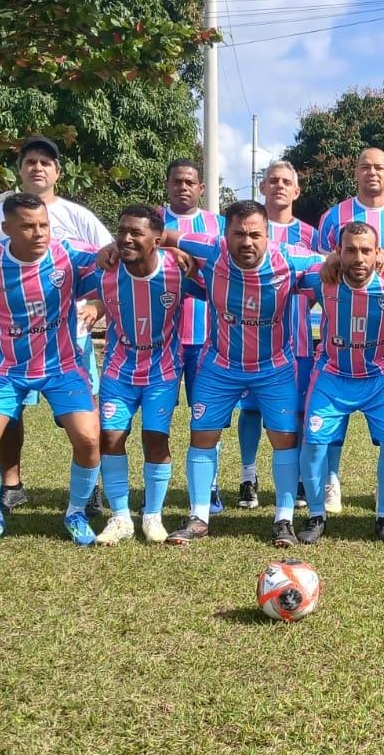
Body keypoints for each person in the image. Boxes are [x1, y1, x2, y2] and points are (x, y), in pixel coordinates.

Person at [0, 193, 104, 548]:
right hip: (4, 368)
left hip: (62, 365)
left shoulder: (69, 253)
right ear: (6, 229)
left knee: (90, 437)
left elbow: (113, 266)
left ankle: (75, 512)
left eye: (43, 224)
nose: (39, 233)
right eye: (28, 226)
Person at [158, 200, 323, 546]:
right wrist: (171, 252)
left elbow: (337, 260)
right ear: (225, 235)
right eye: (238, 234)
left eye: (254, 235)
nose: (247, 242)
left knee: (284, 440)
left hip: (274, 367)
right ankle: (199, 516)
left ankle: (283, 520)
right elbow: (157, 234)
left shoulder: (290, 257)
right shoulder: (208, 247)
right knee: (202, 436)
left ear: (267, 235)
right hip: (220, 366)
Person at [0, 137, 112, 513]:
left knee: (82, 421)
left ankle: (88, 490)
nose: (38, 167)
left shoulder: (78, 216)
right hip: (9, 348)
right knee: (8, 418)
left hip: (69, 342)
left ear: (58, 172)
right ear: (20, 169)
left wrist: (96, 305)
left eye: (46, 162)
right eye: (30, 161)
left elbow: (112, 265)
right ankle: (11, 483)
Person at [300, 222, 384, 544]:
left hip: (381, 378)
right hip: (332, 376)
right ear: (338, 252)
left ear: (377, 252)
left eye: (366, 250)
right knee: (313, 444)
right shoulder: (321, 278)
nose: (358, 258)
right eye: (350, 250)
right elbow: (289, 264)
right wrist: (324, 260)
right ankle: (316, 514)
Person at [87, 205, 203, 545]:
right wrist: (94, 305)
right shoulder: (106, 269)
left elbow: (217, 286)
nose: (126, 238)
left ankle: (152, 514)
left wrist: (186, 258)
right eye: (121, 231)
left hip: (162, 370)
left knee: (155, 439)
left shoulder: (177, 269)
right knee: (110, 437)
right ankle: (121, 516)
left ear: (157, 239)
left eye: (136, 233)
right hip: (118, 369)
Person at [313, 147, 384, 514]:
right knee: (331, 422)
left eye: (379, 167)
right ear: (355, 173)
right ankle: (331, 481)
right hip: (339, 335)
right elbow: (320, 266)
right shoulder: (333, 217)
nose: (372, 173)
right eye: (364, 167)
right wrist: (329, 258)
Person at [160, 159, 227, 514]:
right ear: (168, 185)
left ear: (201, 188)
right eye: (177, 181)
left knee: (206, 416)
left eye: (190, 182)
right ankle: (159, 485)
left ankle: (211, 488)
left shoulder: (218, 227)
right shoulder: (153, 223)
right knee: (160, 416)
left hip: (206, 338)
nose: (183, 187)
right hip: (163, 339)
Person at [261, 160, 317, 510]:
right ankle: (248, 478)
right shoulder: (246, 228)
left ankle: (298, 480)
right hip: (253, 344)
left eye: (286, 181)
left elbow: (323, 275)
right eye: (273, 181)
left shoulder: (310, 235)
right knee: (252, 413)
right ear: (263, 187)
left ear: (296, 191)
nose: (279, 186)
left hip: (297, 339)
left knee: (298, 411)